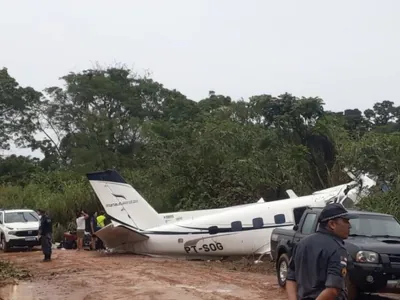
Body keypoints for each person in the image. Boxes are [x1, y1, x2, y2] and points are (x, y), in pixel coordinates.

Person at [286, 203, 358, 300]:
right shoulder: (337, 249)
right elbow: (333, 289)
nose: (350, 226)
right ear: (332, 224)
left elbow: (291, 278)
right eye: (346, 221)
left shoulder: (302, 244)